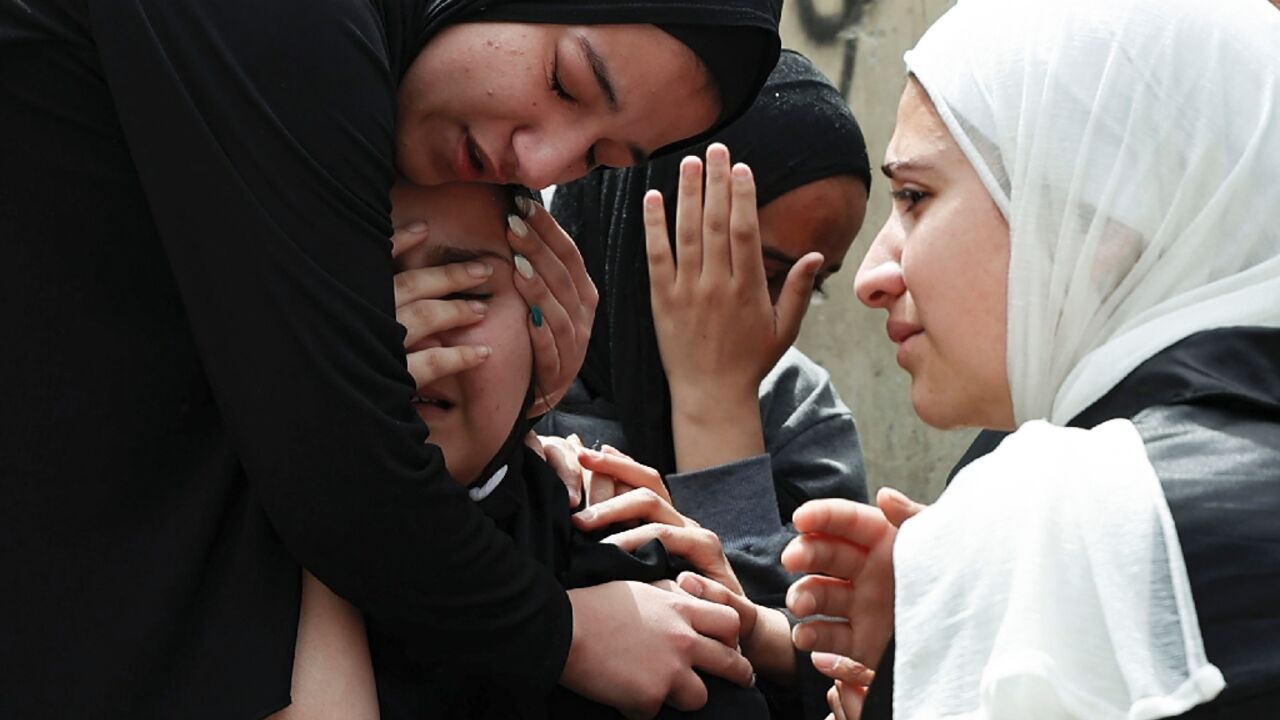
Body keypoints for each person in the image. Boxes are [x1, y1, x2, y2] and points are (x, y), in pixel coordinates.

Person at [0, 1, 784, 717]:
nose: (540, 162)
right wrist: (562, 633)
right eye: (566, 82)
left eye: (601, 158)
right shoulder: (288, 35)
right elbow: (332, 458)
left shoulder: (605, 564)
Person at [780, 0, 1280, 718]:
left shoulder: (1054, 523)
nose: (871, 275)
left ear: (1101, 218)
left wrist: (990, 588)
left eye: (916, 197)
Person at [281, 181, 770, 719]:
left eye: (464, 292)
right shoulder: (218, 523)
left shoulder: (615, 545)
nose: (413, 330)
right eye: (373, 282)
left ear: (549, 320)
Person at [542, 49, 871, 604]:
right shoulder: (517, 378)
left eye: (808, 286)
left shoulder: (798, 413)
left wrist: (716, 406)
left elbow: (797, 665)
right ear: (644, 223)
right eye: (755, 271)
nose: (768, 316)